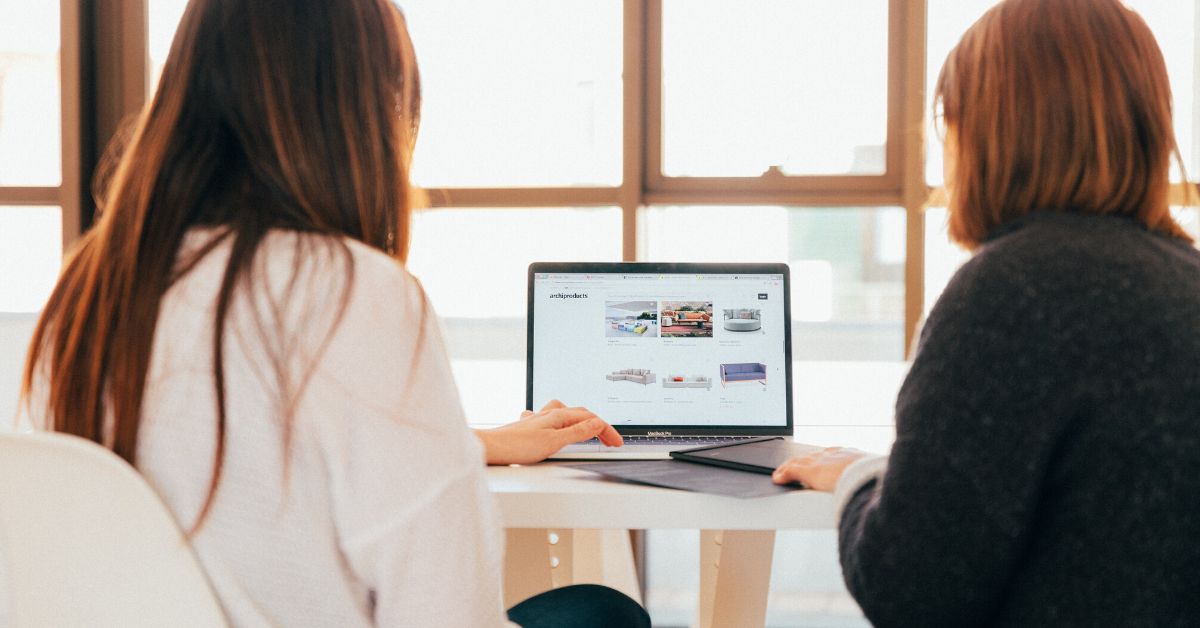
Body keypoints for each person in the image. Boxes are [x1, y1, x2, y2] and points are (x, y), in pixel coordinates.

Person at [19, 1, 647, 627]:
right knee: (604, 613)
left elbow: (240, 455)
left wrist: (475, 443)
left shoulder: (88, 292)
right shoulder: (352, 292)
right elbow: (446, 609)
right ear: (360, 114)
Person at [771, 0, 1200, 625]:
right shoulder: (1186, 279)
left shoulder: (1011, 291)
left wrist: (859, 479)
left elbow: (911, 590)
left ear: (986, 130)